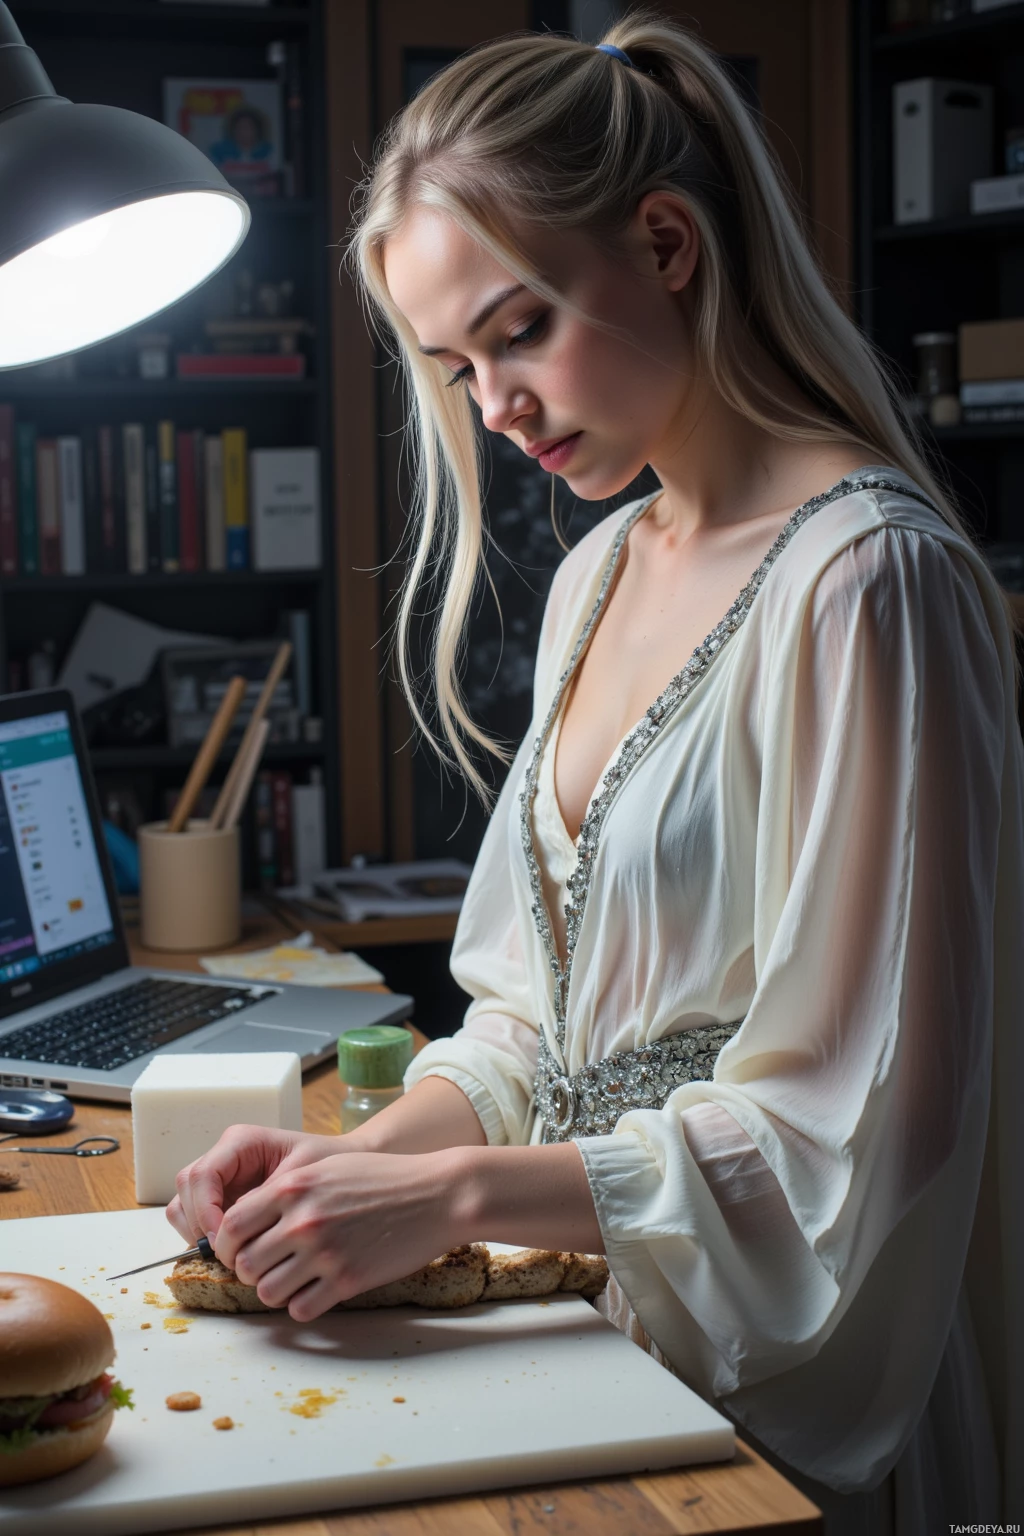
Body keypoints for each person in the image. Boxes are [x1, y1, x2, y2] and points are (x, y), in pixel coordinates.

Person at [168, 14, 1024, 1532]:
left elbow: (867, 1125)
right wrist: (346, 1170)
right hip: (599, 1335)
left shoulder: (870, 583)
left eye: (518, 330)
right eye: (453, 362)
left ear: (669, 241)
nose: (491, 406)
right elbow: (531, 1032)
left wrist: (451, 1199)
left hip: (783, 1395)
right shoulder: (600, 570)